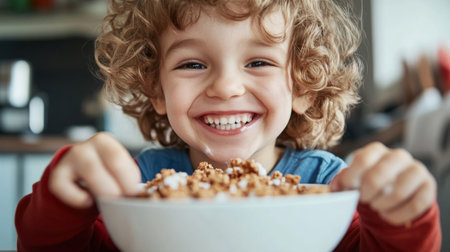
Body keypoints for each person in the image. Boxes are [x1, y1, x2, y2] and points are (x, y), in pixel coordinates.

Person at [15, 0, 441, 251]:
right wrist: (66, 200)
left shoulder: (333, 189)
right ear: (157, 90)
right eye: (192, 63)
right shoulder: (133, 188)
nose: (226, 86)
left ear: (302, 84)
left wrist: (400, 215)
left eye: (258, 62)